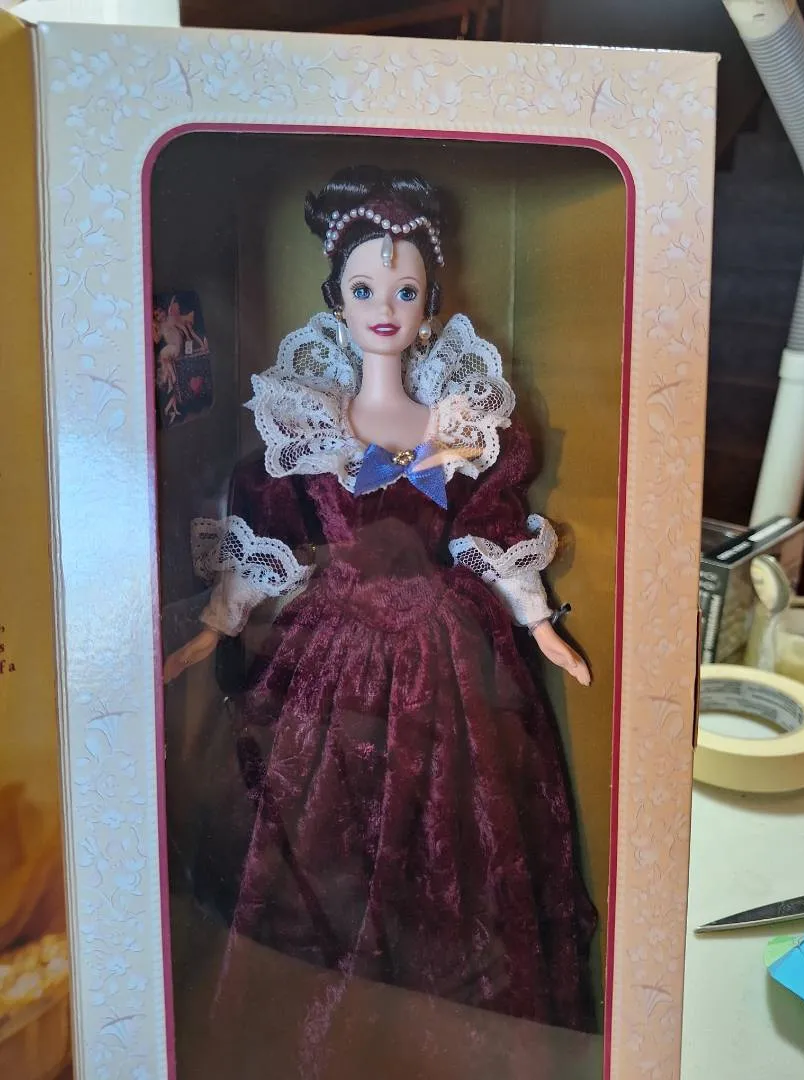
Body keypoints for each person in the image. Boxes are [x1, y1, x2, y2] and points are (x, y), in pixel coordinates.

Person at [164, 165, 597, 1032]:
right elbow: (274, 528)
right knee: (319, 822)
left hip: (449, 650)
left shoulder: (459, 421)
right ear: (337, 300)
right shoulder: (313, 421)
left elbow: (487, 522)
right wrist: (216, 625)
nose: (386, 307)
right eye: (365, 289)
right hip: (335, 645)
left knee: (455, 825)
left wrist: (539, 623)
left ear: (431, 302)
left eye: (405, 289)